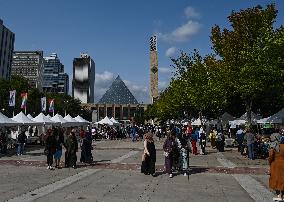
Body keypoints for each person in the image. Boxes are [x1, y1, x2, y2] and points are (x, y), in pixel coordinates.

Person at [268, 132, 284, 201]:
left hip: (275, 165)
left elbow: (271, 156)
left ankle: (279, 196)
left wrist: (269, 162)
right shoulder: (283, 145)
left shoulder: (273, 146)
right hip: (283, 164)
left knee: (276, 180)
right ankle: (283, 195)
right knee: (283, 179)